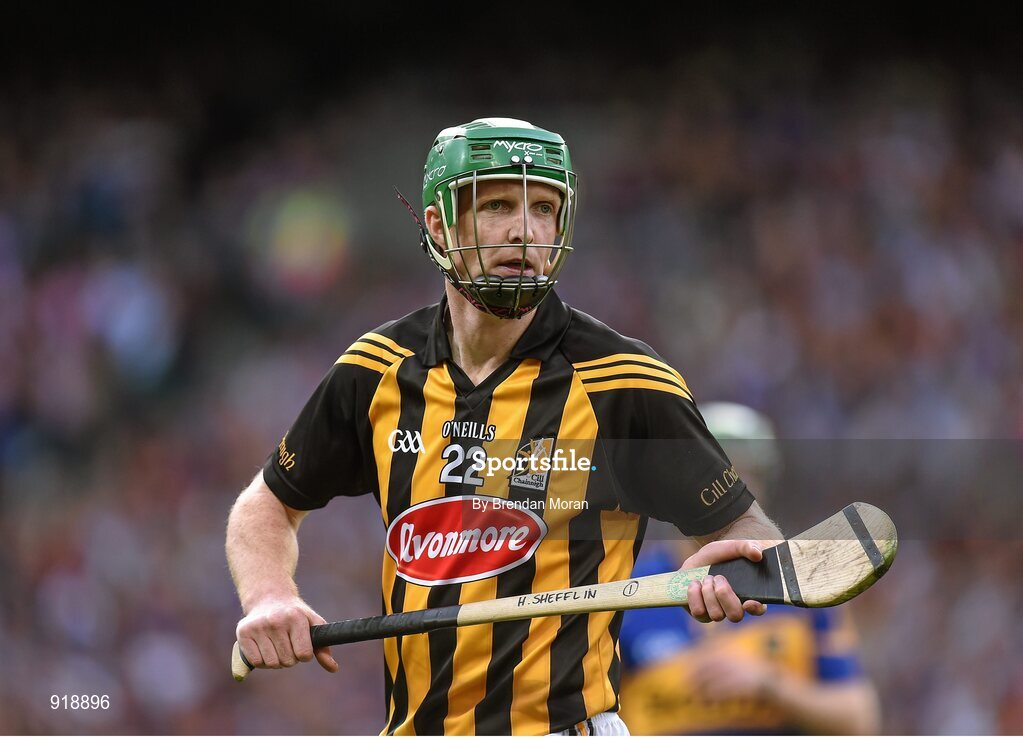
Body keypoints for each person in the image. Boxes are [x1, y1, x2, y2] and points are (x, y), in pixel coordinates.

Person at [226, 118, 784, 736]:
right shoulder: (374, 372)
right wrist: (270, 595)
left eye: (544, 208)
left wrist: (735, 565)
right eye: (497, 205)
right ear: (439, 225)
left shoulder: (625, 383)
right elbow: (266, 506)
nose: (526, 229)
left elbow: (748, 529)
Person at [618, 402, 881, 735]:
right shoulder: (633, 590)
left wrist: (769, 685)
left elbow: (859, 720)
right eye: (713, 479)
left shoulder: (804, 584)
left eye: (746, 478)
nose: (727, 497)